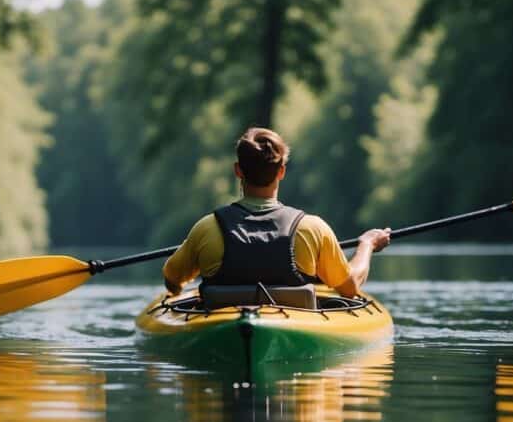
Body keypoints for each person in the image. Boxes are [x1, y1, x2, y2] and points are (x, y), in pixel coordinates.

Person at [163, 127, 391, 297]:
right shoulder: (312, 228)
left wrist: (180, 286)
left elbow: (172, 280)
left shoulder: (207, 228)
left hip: (224, 327)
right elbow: (350, 288)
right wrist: (367, 245)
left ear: (238, 171)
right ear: (281, 171)